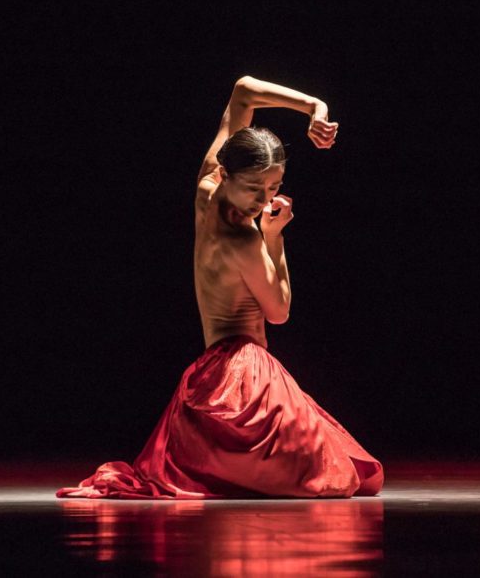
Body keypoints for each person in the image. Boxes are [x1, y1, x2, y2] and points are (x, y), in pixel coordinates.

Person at [58, 76, 383, 498]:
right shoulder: (243, 237)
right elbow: (279, 311)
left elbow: (244, 90)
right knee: (340, 477)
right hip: (245, 372)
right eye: (253, 188)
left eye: (273, 187)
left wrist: (314, 105)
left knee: (351, 470)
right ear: (228, 174)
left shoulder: (206, 187)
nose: (263, 198)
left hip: (211, 373)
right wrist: (274, 235)